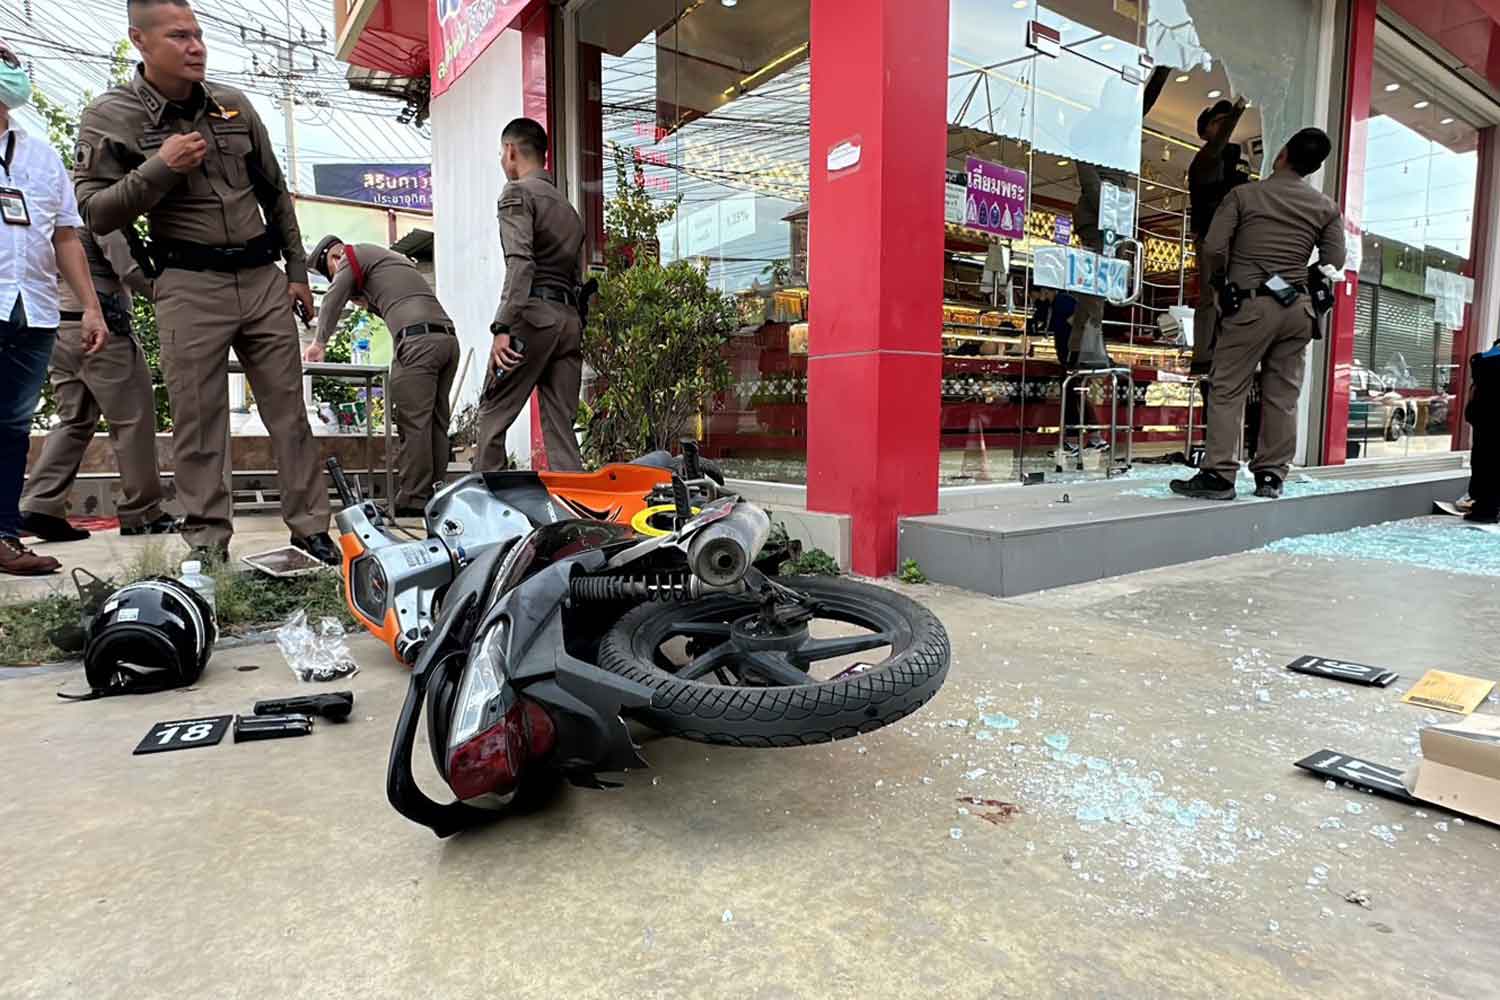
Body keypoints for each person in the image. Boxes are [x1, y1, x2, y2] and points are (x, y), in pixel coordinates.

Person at [73, 0, 337, 566]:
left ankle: (312, 528)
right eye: (179, 37)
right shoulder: (111, 117)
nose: (196, 47)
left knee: (290, 411)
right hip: (190, 284)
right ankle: (208, 543)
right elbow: (94, 213)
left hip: (263, 279)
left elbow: (275, 193)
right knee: (198, 421)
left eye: (198, 35)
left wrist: (296, 272)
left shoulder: (232, 106)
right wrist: (159, 166)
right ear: (140, 42)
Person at [1171, 128, 1344, 501]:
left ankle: (1219, 474)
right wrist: (1301, 274)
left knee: (1228, 387)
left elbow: (1214, 247)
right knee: (1282, 394)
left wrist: (1220, 283)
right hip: (1298, 309)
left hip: (1249, 305)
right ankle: (1270, 476)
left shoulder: (1244, 195)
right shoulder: (1325, 207)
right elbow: (1335, 262)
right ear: (1312, 167)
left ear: (1281, 155)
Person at [0, 37, 110, 577]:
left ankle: (3, 537)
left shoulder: (40, 156)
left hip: (34, 310)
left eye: (12, 64)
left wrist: (90, 307)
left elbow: (66, 236)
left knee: (13, 426)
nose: (11, 72)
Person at [20, 225, 178, 541]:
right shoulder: (97, 210)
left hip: (58, 325)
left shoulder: (47, 212)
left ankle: (39, 505)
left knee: (73, 420)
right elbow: (128, 266)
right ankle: (142, 512)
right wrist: (173, 297)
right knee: (132, 418)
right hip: (102, 326)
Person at [306, 236, 460, 516]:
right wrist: (367, 301)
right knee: (435, 423)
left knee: (413, 424)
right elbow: (392, 302)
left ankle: (413, 500)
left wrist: (319, 342)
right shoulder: (390, 259)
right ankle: (436, 496)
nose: (336, 278)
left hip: (417, 344)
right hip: (447, 341)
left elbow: (333, 298)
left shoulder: (350, 253)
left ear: (334, 258)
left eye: (331, 274)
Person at [478, 116, 586, 472]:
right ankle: (576, 514)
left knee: (493, 414)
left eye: (500, 153)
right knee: (560, 430)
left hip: (532, 317)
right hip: (569, 323)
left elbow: (521, 262)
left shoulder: (516, 194)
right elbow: (576, 276)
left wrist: (502, 326)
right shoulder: (569, 211)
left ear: (510, 152)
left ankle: (483, 513)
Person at [1188, 96, 1251, 378]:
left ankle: (1220, 352)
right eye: (1218, 121)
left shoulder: (1234, 159)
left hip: (1234, 237)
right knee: (1209, 296)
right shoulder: (1205, 159)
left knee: (1228, 295)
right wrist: (1238, 108)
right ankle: (1204, 355)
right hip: (1210, 236)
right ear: (1206, 130)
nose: (1224, 126)